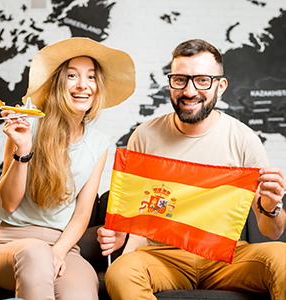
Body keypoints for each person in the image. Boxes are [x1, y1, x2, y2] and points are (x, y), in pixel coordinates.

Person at [97, 39, 286, 300]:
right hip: (164, 258)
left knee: (284, 258)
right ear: (170, 82)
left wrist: (272, 206)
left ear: (220, 86)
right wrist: (120, 242)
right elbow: (136, 217)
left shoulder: (244, 139)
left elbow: (272, 232)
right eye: (180, 79)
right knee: (120, 273)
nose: (189, 91)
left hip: (226, 258)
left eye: (202, 80)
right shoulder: (144, 136)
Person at [0, 37, 135, 300]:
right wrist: (22, 149)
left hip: (64, 247)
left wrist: (57, 252)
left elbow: (82, 214)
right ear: (58, 84)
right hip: (10, 244)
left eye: (91, 77)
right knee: (36, 253)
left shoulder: (99, 143)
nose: (82, 85)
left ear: (97, 87)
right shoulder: (26, 126)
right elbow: (8, 203)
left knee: (81, 293)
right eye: (71, 76)